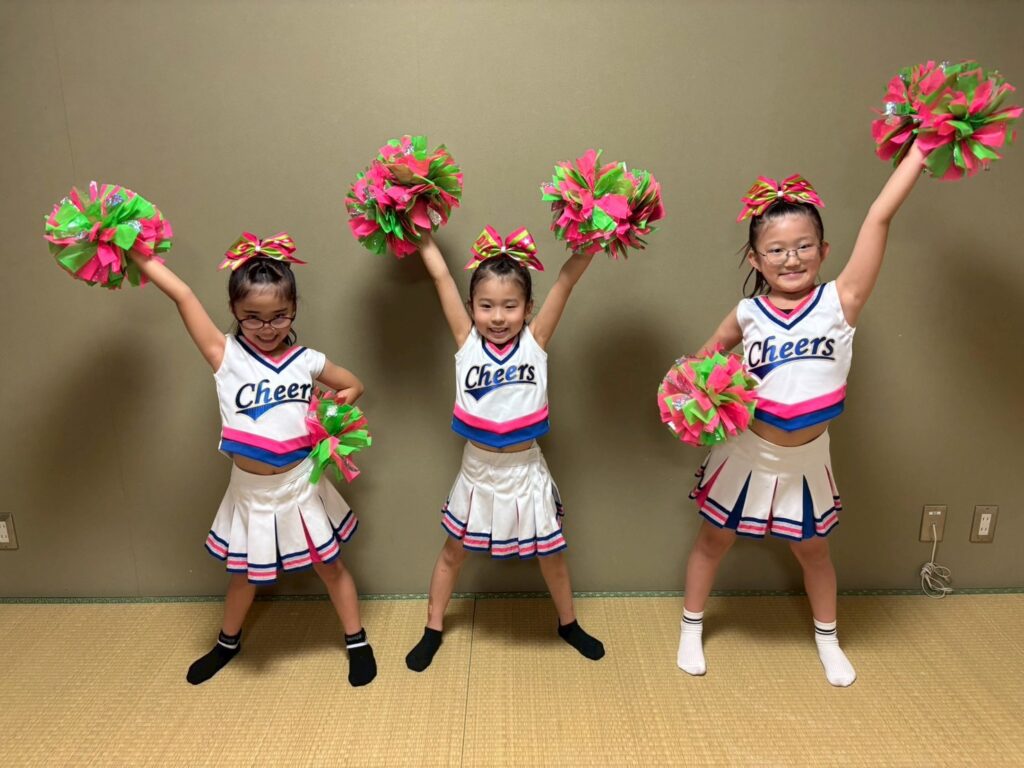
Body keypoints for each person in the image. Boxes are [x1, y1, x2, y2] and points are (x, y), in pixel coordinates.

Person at [677, 144, 926, 686]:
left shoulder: (841, 301)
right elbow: (698, 365)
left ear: (824, 249)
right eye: (776, 249)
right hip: (747, 452)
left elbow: (878, 217)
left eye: (803, 246)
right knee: (713, 540)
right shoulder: (748, 313)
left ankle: (828, 640)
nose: (791, 259)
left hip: (808, 459)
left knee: (813, 552)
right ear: (755, 259)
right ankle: (691, 628)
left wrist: (921, 150)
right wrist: (692, 399)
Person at [131, 232, 377, 687]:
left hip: (301, 484)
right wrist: (133, 251)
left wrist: (330, 413)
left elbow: (353, 384)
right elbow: (183, 295)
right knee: (245, 576)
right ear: (234, 311)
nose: (267, 327)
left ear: (294, 309)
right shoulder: (224, 355)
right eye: (252, 317)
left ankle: (356, 640)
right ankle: (227, 642)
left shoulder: (306, 360)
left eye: (279, 315)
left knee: (331, 566)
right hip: (250, 492)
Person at [404, 226, 605, 672]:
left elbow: (565, 281)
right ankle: (433, 627)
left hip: (525, 469)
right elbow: (441, 277)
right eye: (486, 305)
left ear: (528, 308)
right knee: (453, 551)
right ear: (471, 307)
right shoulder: (466, 341)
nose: (498, 317)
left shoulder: (535, 342)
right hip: (477, 470)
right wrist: (418, 232)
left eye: (510, 306)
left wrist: (594, 240)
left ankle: (568, 624)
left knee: (551, 555)